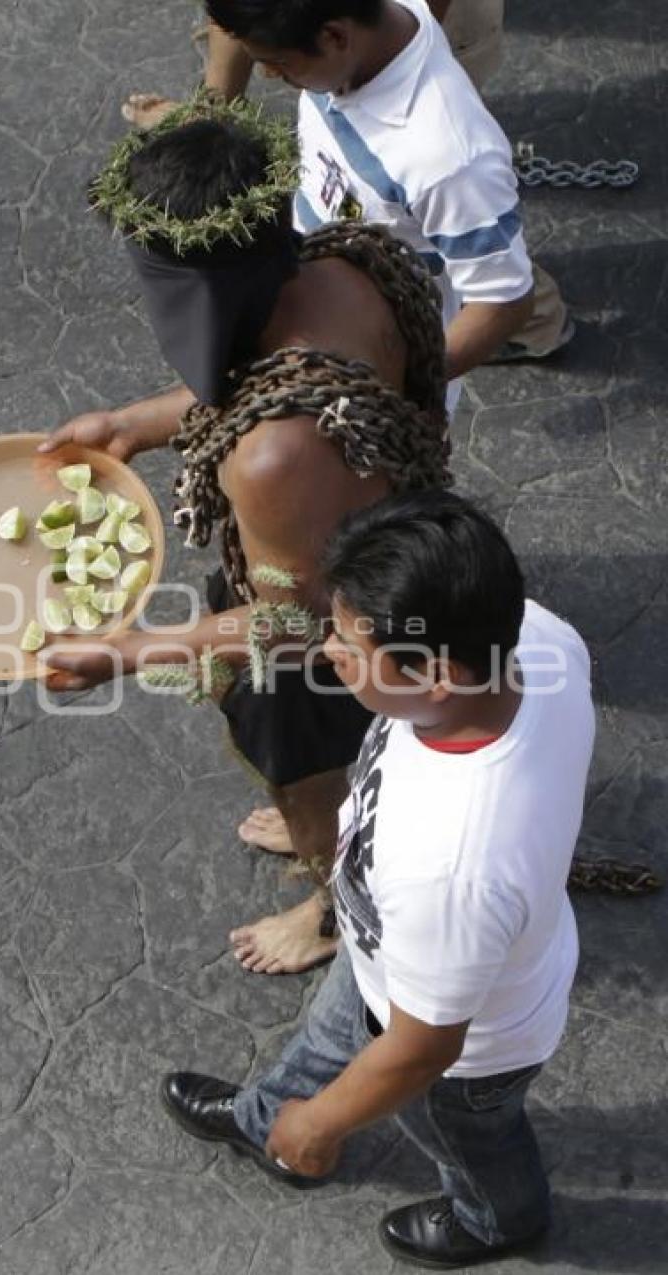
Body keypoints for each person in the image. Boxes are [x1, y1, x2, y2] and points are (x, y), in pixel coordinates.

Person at [40, 98, 450, 975]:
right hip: (389, 534)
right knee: (331, 763)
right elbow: (279, 378)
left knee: (305, 769)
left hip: (328, 622)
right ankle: (330, 827)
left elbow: (295, 628)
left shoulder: (272, 458)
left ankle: (334, 896)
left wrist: (131, 649)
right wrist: (133, 424)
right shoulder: (350, 265)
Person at [161, 488, 596, 1269]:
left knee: (465, 1135)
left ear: (434, 677)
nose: (331, 652)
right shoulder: (537, 638)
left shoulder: (449, 869)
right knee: (332, 1030)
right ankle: (268, 1123)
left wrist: (323, 1123)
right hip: (391, 956)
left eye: (352, 649)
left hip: (464, 1054)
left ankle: (498, 1218)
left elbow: (422, 1051)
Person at [123, 0, 570, 372]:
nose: (270, 77)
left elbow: (503, 301)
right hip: (325, 273)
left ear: (335, 36)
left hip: (378, 340)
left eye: (278, 63)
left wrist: (399, 386)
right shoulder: (350, 54)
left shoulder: (445, 160)